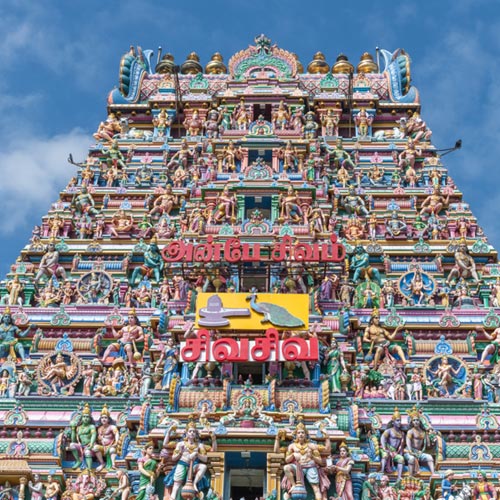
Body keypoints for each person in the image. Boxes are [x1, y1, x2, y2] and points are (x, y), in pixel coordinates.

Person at [282, 422, 330, 500]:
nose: (301, 434)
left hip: (310, 466)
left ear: (305, 434)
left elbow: (321, 460)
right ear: (296, 435)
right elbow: (287, 460)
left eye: (302, 432)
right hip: (298, 466)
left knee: (316, 488)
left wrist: (313, 457)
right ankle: (293, 485)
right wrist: (293, 455)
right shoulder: (292, 446)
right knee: (286, 468)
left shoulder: (311, 446)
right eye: (299, 433)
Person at [164, 421, 210, 499]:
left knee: (203, 467)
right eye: (190, 431)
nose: (192, 433)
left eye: (194, 431)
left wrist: (197, 454)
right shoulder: (181, 444)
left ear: (196, 434)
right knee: (176, 486)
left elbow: (205, 459)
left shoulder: (199, 445)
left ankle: (195, 483)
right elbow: (173, 458)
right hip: (182, 463)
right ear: (186, 433)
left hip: (194, 466)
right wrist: (180, 453)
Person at [404, 408, 435, 476]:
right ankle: (410, 476)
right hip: (409, 451)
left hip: (418, 452)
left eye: (417, 420)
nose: (416, 422)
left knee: (429, 457)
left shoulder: (423, 432)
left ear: (420, 421)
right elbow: (408, 441)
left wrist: (430, 436)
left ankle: (433, 474)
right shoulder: (410, 431)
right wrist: (410, 450)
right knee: (411, 459)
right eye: (414, 420)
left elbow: (428, 445)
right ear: (411, 422)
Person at [69, 404, 97, 470]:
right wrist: (73, 429)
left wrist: (91, 443)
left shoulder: (91, 427)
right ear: (81, 418)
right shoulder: (79, 428)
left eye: (87, 417)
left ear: (90, 418)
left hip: (89, 445)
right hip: (81, 446)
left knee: (87, 452)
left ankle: (89, 468)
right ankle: (78, 460)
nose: (85, 418)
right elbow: (73, 440)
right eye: (84, 417)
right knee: (72, 445)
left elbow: (93, 435)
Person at [379, 408, 405, 480]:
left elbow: (401, 446)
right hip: (387, 448)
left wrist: (400, 453)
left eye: (400, 420)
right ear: (393, 422)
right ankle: (382, 471)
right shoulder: (389, 431)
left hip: (395, 452)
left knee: (401, 459)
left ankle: (399, 476)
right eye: (397, 420)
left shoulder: (402, 433)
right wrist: (384, 448)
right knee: (385, 455)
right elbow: (382, 438)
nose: (399, 422)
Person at [93, 405, 120, 471]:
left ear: (108, 419)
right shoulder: (99, 428)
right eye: (102, 418)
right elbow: (97, 438)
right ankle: (102, 463)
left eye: (105, 418)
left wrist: (116, 442)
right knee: (95, 448)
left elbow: (116, 434)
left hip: (111, 446)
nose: (104, 419)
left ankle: (113, 464)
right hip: (103, 447)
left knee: (112, 450)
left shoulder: (112, 427)